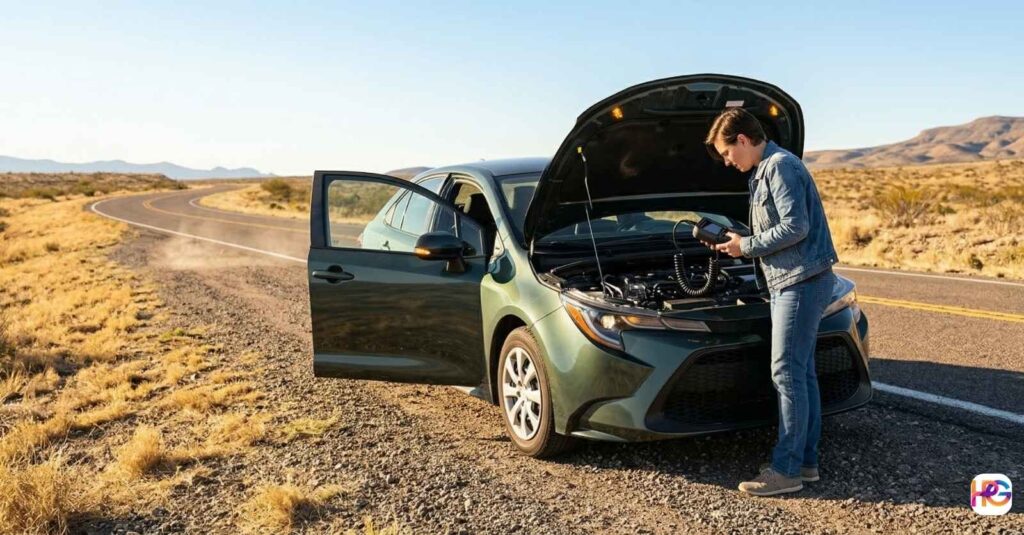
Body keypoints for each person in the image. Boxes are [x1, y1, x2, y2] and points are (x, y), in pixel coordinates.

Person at [703, 107, 839, 497]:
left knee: (786, 373)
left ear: (743, 140)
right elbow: (779, 225)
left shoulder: (780, 166)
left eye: (727, 153)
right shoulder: (768, 169)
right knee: (801, 372)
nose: (728, 163)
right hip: (796, 279)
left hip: (800, 281)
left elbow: (796, 227)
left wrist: (745, 246)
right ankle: (806, 463)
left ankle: (786, 470)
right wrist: (739, 241)